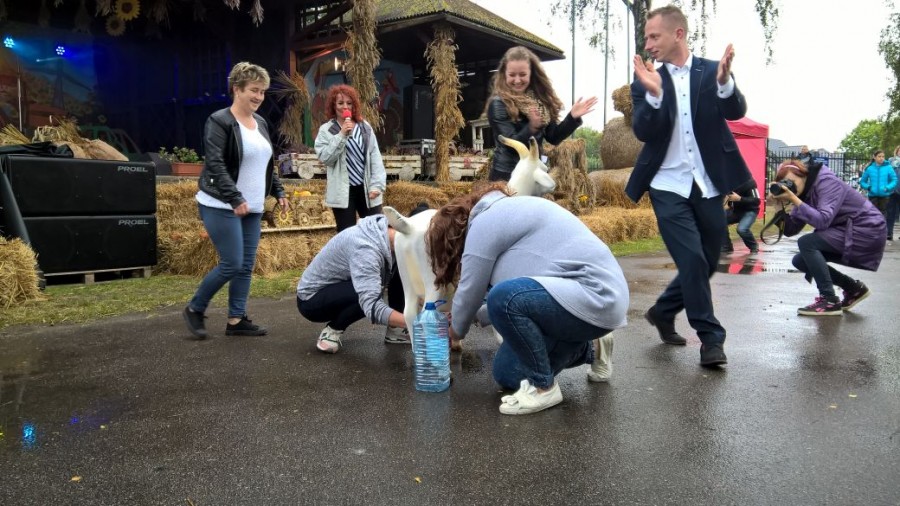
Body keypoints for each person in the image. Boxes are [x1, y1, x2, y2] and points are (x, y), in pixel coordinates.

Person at [426, 182, 629, 415]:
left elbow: (472, 291)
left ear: (452, 238)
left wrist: (454, 331)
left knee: (502, 297)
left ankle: (543, 388)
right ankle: (592, 347)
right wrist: (475, 317)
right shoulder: (507, 216)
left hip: (595, 294)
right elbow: (524, 296)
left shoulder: (484, 222)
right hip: (585, 301)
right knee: (507, 373)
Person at [627, 5, 752, 367]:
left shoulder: (712, 71)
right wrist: (654, 95)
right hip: (666, 184)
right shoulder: (646, 80)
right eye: (646, 37)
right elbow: (643, 131)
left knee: (708, 261)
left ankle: (663, 311)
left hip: (707, 184)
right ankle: (711, 338)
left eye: (654, 36)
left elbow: (736, 112)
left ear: (677, 34)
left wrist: (725, 82)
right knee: (693, 259)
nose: (648, 44)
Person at [183, 62, 288, 339]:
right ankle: (195, 308)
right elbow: (215, 163)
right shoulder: (220, 121)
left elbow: (266, 163)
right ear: (237, 89)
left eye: (262, 92)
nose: (259, 97)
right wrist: (234, 197)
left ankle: (236, 319)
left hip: (252, 206)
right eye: (254, 90)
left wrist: (278, 191)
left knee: (245, 265)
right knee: (232, 263)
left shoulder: (260, 123)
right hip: (221, 203)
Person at [296, 207, 431, 353]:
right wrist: (418, 324)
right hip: (311, 300)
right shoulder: (365, 250)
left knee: (400, 268)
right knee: (366, 292)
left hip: (341, 285)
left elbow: (413, 280)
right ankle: (333, 330)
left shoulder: (391, 232)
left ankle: (395, 331)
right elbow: (372, 306)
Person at [770, 160, 886, 315]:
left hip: (867, 229)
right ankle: (854, 289)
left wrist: (794, 199)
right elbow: (790, 230)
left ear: (803, 175)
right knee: (800, 260)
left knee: (807, 243)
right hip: (848, 229)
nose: (789, 186)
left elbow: (822, 220)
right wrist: (778, 206)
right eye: (784, 183)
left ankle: (829, 300)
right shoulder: (804, 193)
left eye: (791, 181)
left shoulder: (826, 182)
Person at [484, 46, 598, 181]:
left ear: (531, 74)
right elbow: (510, 146)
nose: (517, 80)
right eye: (512, 75)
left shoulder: (540, 102)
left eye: (522, 74)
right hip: (507, 176)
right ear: (505, 74)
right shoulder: (498, 104)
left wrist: (572, 117)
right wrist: (531, 128)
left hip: (534, 174)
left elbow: (553, 137)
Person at [315, 84, 387, 232]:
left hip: (367, 188)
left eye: (349, 103)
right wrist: (341, 135)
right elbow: (326, 158)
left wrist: (377, 184)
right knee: (346, 234)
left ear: (354, 106)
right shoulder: (326, 130)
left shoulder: (364, 126)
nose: (345, 107)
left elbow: (375, 156)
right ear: (333, 105)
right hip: (343, 192)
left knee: (375, 231)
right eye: (340, 103)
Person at [721, 178, 760, 253]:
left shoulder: (750, 182)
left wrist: (740, 199)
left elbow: (756, 200)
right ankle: (726, 247)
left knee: (742, 229)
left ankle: (753, 246)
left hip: (750, 211)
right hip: (736, 211)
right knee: (720, 222)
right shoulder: (727, 182)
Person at [859, 149, 897, 220]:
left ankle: (882, 227)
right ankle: (873, 227)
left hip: (885, 195)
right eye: (879, 156)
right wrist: (869, 187)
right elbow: (862, 182)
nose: (881, 158)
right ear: (874, 157)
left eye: (883, 156)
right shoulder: (869, 168)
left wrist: (887, 188)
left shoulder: (888, 167)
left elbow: (894, 180)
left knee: (883, 214)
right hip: (872, 196)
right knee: (872, 214)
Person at [887, 146, 900, 241]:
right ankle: (889, 233)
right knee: (890, 213)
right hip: (892, 190)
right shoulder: (891, 160)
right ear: (897, 151)